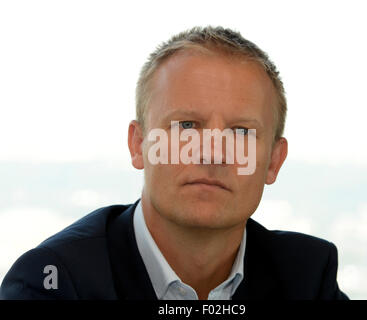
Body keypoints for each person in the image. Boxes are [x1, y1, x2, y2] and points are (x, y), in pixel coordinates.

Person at [0, 26, 348, 300]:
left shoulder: (306, 277)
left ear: (273, 161)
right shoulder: (52, 281)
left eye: (241, 132)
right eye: (186, 126)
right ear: (139, 146)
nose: (212, 153)